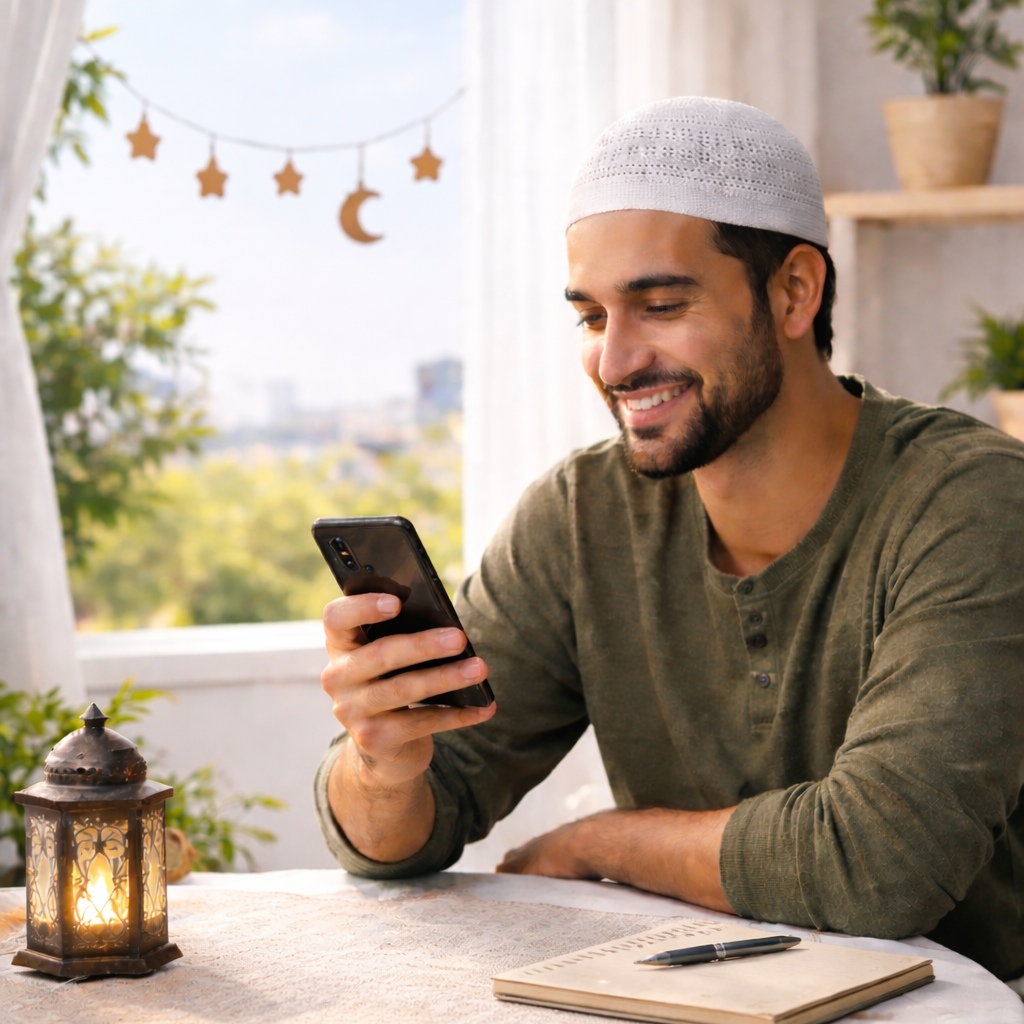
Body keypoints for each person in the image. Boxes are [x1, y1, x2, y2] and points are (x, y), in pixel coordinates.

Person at [314, 96, 1024, 981]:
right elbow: (404, 836)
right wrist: (384, 763)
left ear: (795, 290)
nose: (613, 364)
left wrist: (601, 842)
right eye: (592, 317)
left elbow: (881, 865)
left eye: (658, 303)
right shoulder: (580, 517)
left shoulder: (970, 499)